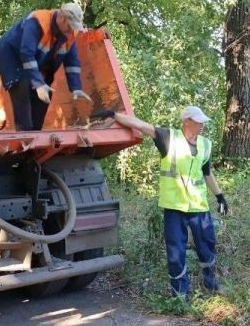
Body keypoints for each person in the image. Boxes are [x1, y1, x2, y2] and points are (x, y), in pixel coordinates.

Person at [91, 104, 229, 298]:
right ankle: (180, 295)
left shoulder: (205, 144)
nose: (202, 125)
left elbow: (207, 173)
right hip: (174, 207)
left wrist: (220, 196)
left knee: (207, 246)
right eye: (199, 121)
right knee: (176, 253)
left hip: (199, 206)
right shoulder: (169, 138)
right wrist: (114, 115)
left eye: (203, 122)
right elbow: (141, 125)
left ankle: (210, 283)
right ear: (187, 121)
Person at [0, 2, 93, 131]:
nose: (71, 30)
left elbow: (72, 62)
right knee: (21, 87)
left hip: (33, 59)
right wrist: (38, 84)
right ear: (61, 17)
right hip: (9, 55)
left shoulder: (69, 34)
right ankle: (24, 135)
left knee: (45, 94)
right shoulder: (37, 21)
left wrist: (76, 88)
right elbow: (26, 53)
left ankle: (35, 134)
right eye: (70, 25)